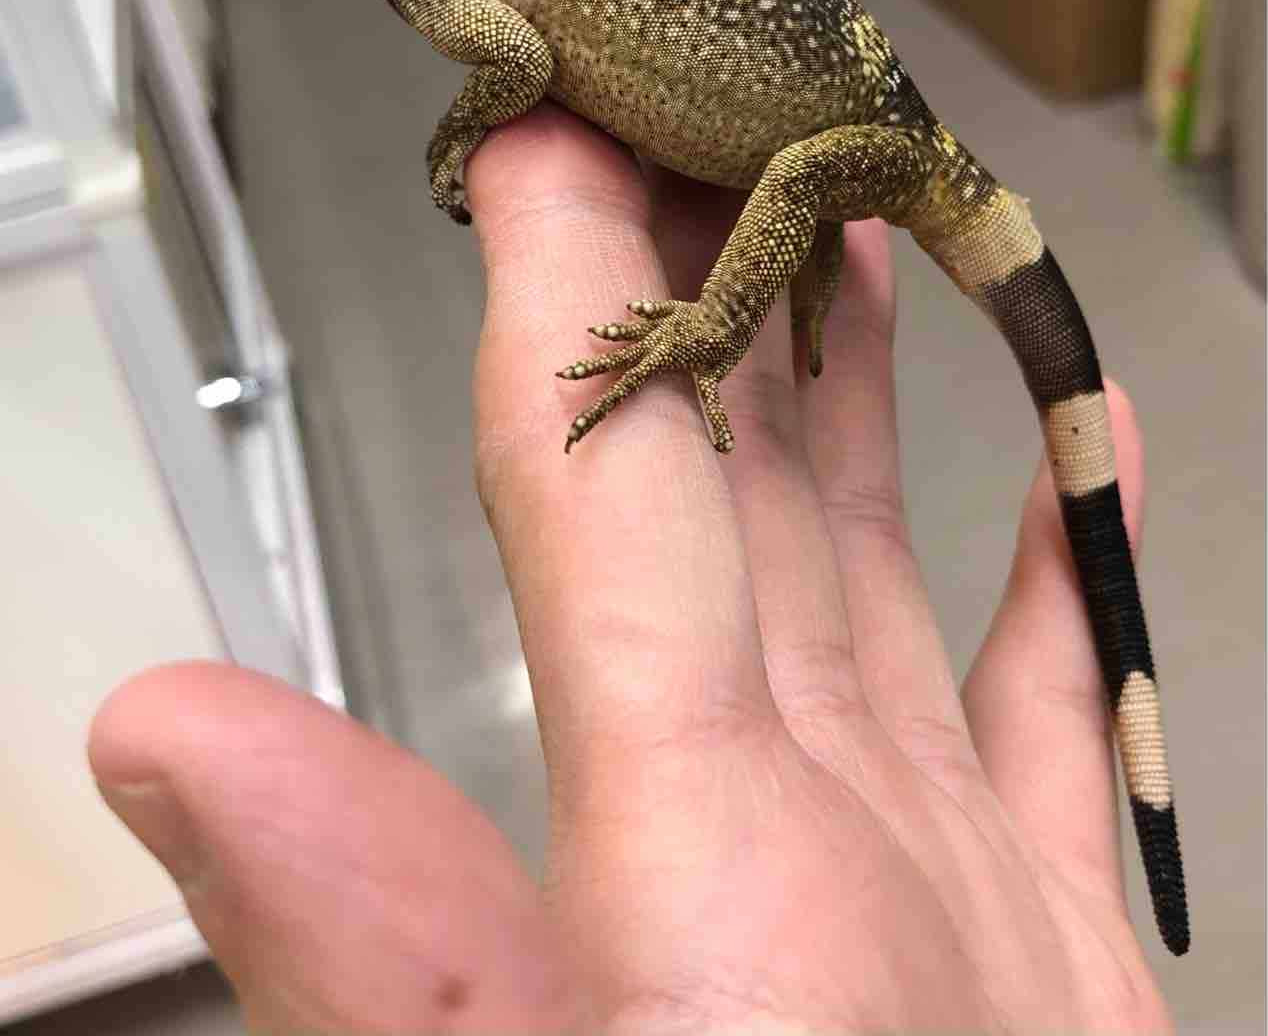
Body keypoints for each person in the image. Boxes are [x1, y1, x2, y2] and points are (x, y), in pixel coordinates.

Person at [89, 105, 1172, 1032]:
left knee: (799, 178)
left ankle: (728, 317)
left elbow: (519, 67)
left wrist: (710, 320)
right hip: (859, 132)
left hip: (869, 138)